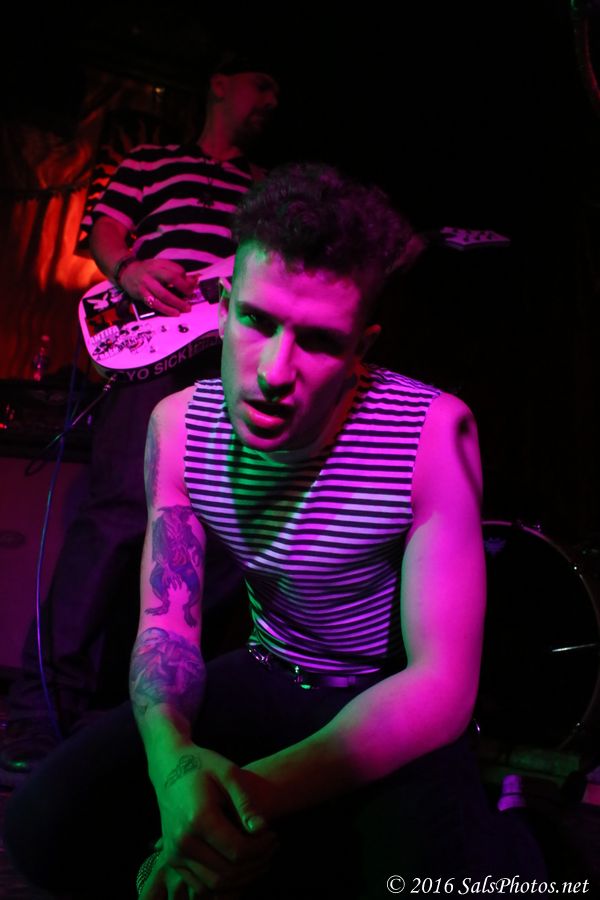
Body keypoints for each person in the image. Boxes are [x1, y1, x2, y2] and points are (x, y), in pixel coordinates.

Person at [4, 163, 545, 898]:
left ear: (362, 348)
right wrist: (175, 772)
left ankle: (514, 836)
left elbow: (440, 684)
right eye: (257, 322)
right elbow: (166, 633)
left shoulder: (432, 432)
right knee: (41, 827)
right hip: (267, 669)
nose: (275, 371)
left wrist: (241, 801)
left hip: (381, 698)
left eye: (318, 341)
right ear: (224, 307)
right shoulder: (177, 426)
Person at [0, 50, 280, 785]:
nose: (270, 101)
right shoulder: (151, 162)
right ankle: (38, 710)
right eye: (261, 83)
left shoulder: (265, 188)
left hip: (231, 360)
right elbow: (106, 233)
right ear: (220, 83)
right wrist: (130, 270)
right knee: (120, 513)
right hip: (151, 354)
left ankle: (165, 719)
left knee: (224, 534)